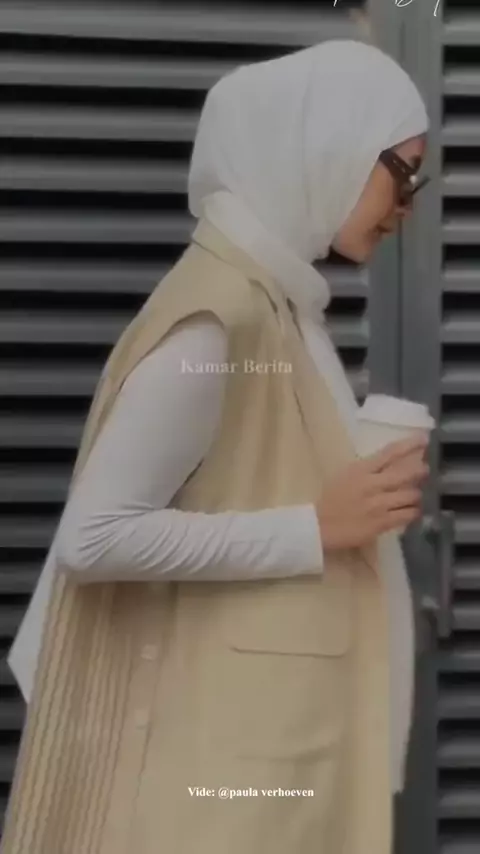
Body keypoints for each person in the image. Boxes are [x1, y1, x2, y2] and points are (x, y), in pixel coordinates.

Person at [2, 39, 430, 854]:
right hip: (221, 788)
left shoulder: (276, 305)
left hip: (259, 761)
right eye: (402, 174)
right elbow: (95, 537)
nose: (407, 204)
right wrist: (315, 527)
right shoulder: (219, 317)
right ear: (325, 144)